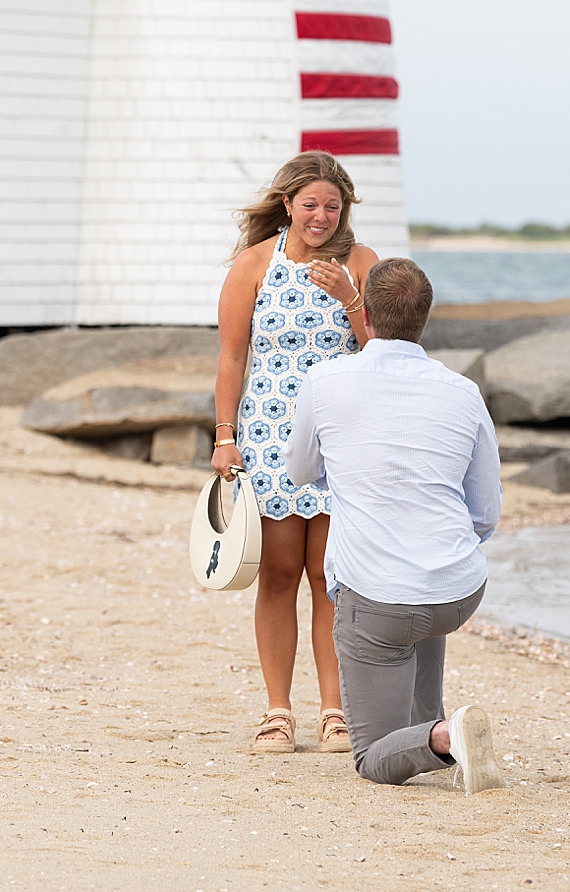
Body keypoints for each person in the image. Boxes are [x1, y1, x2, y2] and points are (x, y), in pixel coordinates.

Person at [283, 257, 506, 793]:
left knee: (371, 759)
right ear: (424, 317)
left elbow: (300, 471)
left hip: (380, 598)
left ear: (365, 309)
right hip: (458, 590)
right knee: (419, 607)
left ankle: (444, 737)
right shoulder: (462, 391)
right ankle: (439, 727)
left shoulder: (326, 379)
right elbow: (485, 512)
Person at [213, 151, 379, 753]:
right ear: (287, 205)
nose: (322, 217)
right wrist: (224, 436)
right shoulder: (254, 264)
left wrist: (354, 299)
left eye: (332, 206)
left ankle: (335, 711)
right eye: (310, 205)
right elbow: (232, 357)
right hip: (270, 435)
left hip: (341, 436)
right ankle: (277, 711)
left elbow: (384, 350)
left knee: (331, 576)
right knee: (279, 572)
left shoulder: (362, 263)